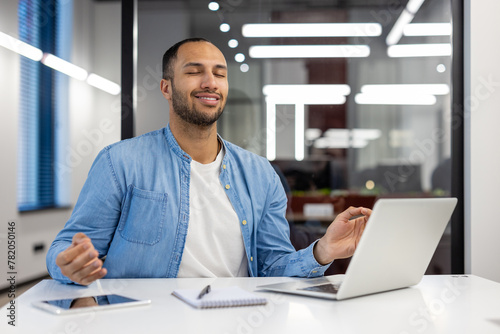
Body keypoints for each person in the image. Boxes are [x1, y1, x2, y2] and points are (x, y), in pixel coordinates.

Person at [46, 38, 371, 285]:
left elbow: (274, 268)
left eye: (219, 73)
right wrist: (67, 262)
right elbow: (65, 245)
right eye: (194, 71)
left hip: (234, 318)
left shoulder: (260, 174)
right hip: (146, 321)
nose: (210, 82)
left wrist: (322, 251)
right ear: (166, 87)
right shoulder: (120, 163)